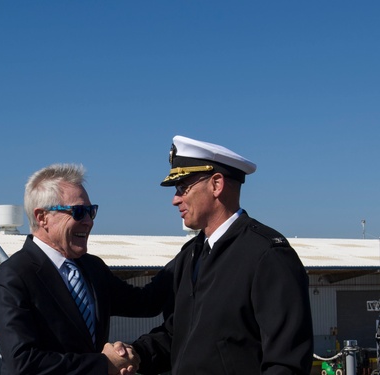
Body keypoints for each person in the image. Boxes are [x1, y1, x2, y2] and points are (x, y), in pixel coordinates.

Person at [130, 135, 314, 374]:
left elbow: (287, 362)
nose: (175, 200)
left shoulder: (267, 255)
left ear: (216, 185)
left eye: (183, 188)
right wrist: (133, 354)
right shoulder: (191, 255)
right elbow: (180, 336)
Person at [0, 163, 173, 375]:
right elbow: (22, 363)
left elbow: (146, 303)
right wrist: (104, 365)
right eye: (78, 212)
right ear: (42, 217)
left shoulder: (92, 267)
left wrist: (197, 247)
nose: (88, 221)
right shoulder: (14, 275)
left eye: (91, 211)